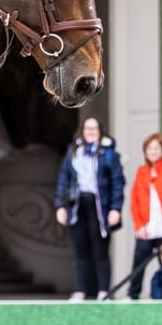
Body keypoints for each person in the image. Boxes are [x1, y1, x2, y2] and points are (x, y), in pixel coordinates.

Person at [53, 117, 125, 301]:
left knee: (100, 250)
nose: (91, 132)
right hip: (77, 205)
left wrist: (115, 208)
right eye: (87, 129)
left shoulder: (108, 154)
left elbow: (117, 182)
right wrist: (60, 205)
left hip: (100, 206)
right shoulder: (74, 152)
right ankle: (81, 290)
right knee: (80, 250)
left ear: (100, 131)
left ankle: (103, 291)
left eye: (94, 128)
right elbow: (64, 180)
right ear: (82, 131)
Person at [124, 133, 162, 299]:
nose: (153, 151)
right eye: (150, 148)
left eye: (157, 148)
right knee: (138, 264)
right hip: (147, 227)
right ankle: (132, 295)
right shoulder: (141, 172)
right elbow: (135, 201)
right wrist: (139, 225)